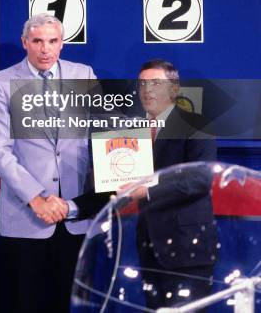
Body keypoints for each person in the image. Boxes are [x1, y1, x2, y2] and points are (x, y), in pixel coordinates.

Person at [73, 59, 217, 309]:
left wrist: (147, 191)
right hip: (149, 247)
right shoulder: (133, 132)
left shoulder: (196, 124)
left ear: (174, 89)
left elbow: (200, 179)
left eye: (156, 83)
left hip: (187, 249)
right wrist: (71, 208)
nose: (147, 90)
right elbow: (115, 185)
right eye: (142, 84)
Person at [0, 14, 97, 313]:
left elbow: (103, 134)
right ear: (25, 43)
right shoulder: (1, 83)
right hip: (27, 218)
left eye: (52, 41)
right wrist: (37, 198)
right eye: (37, 41)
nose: (45, 49)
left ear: (62, 44)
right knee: (28, 303)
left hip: (77, 216)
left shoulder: (83, 75)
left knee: (75, 305)